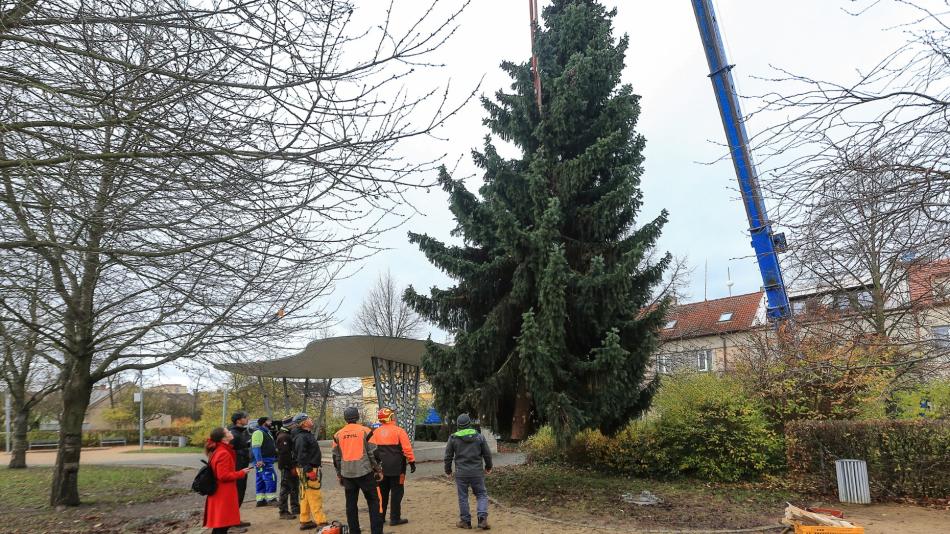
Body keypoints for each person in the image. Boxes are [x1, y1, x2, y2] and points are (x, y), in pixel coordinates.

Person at [332, 406, 384, 534]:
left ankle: (354, 531)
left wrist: (339, 474)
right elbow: (374, 453)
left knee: (351, 505)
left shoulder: (337, 435)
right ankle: (376, 531)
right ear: (357, 417)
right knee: (373, 502)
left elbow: (336, 457)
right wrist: (378, 469)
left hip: (348, 475)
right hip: (365, 473)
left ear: (345, 419)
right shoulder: (366, 431)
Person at [368, 406, 416, 526]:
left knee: (382, 494)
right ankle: (395, 518)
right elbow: (407, 448)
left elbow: (371, 450)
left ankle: (381, 517)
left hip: (381, 469)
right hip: (397, 468)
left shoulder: (375, 432)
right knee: (397, 493)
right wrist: (412, 461)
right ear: (390, 417)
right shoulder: (399, 431)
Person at [444, 414, 493, 530]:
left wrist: (448, 470)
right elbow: (487, 454)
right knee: (481, 494)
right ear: (469, 424)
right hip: (477, 472)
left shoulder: (453, 438)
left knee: (463, 497)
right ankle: (482, 519)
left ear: (458, 425)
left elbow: (448, 456)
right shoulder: (479, 437)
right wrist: (488, 467)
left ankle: (465, 521)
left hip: (461, 473)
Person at [203, 427, 253, 534]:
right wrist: (241, 473)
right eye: (228, 431)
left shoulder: (219, 450)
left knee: (221, 526)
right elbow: (223, 476)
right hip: (223, 493)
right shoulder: (223, 452)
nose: (230, 432)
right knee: (222, 526)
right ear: (223, 438)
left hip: (221, 492)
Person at [293, 412, 328, 530]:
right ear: (303, 423)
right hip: (308, 469)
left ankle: (305, 520)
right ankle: (321, 522)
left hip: (305, 468)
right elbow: (301, 455)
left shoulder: (303, 435)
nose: (311, 419)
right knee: (314, 495)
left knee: (305, 496)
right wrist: (309, 470)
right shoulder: (302, 437)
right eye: (308, 418)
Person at [228, 411, 252, 519]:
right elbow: (228, 452)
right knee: (237, 494)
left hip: (242, 467)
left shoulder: (241, 432)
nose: (248, 419)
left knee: (240, 493)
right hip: (237, 470)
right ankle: (231, 522)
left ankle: (234, 519)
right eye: (245, 417)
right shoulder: (233, 434)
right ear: (238, 420)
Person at [275, 415, 300, 520]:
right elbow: (285, 455)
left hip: (290, 465)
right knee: (285, 488)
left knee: (294, 487)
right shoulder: (284, 436)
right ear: (290, 424)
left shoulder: (286, 434)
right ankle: (283, 511)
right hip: (287, 467)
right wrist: (291, 467)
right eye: (294, 424)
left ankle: (295, 507)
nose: (295, 425)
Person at [251, 416, 279, 506]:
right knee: (271, 478)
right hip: (264, 461)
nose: (271, 422)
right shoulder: (258, 432)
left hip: (265, 460)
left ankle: (261, 500)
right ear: (264, 422)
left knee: (261, 479)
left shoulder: (266, 432)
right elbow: (256, 447)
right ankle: (271, 499)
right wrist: (259, 460)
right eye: (269, 421)